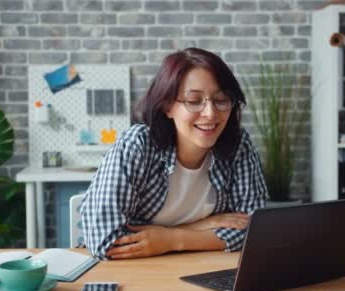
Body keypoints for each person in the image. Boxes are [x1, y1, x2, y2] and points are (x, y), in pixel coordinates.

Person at [80, 47, 268, 259]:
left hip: (201, 268)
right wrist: (201, 227)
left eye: (221, 99)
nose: (210, 113)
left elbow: (255, 231)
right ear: (168, 106)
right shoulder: (137, 145)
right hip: (130, 273)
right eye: (194, 101)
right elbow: (106, 242)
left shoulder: (238, 144)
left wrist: (172, 239)